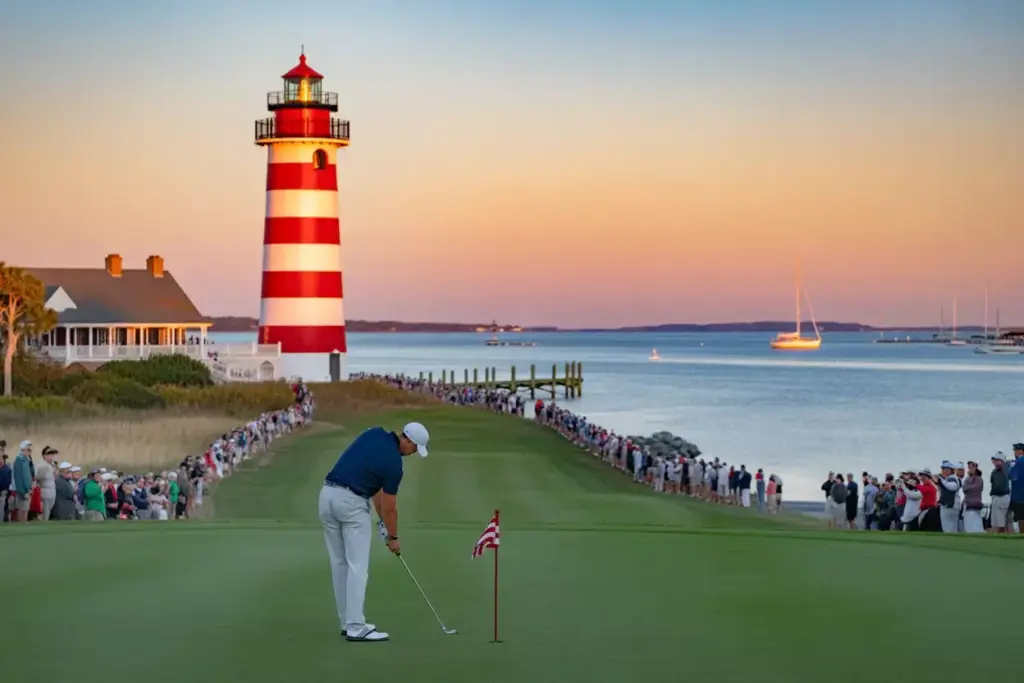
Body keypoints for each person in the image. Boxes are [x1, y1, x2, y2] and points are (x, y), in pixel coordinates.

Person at [318, 422, 430, 643]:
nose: (413, 453)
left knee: (340, 564)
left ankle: (348, 622)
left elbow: (377, 493)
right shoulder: (394, 464)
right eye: (415, 448)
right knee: (358, 566)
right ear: (407, 441)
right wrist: (394, 537)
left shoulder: (373, 433)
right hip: (351, 504)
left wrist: (382, 524)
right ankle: (356, 626)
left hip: (327, 496)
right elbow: (390, 507)